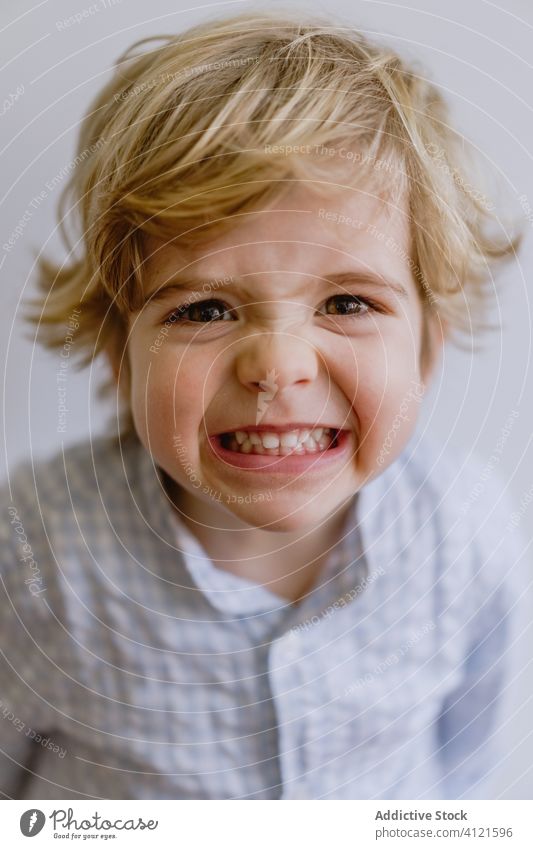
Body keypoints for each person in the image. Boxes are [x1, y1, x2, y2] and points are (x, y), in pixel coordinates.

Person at [0, 11, 527, 800]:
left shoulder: (465, 532)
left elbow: (462, 769)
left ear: (427, 345)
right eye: (205, 309)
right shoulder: (35, 545)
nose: (277, 366)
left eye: (347, 301)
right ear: (119, 350)